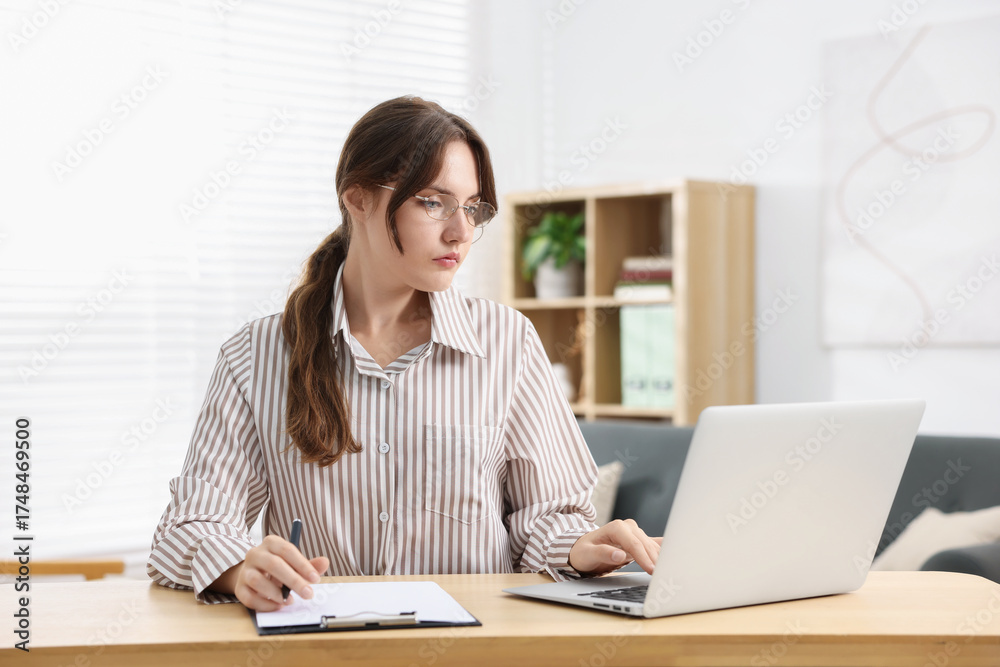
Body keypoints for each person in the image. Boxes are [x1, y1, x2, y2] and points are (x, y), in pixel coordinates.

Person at [147, 96, 660, 610]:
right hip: (322, 651)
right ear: (359, 199)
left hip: (477, 651)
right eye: (433, 202)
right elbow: (188, 529)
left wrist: (578, 546)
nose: (461, 232)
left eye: (473, 207)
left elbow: (547, 517)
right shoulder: (256, 356)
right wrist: (241, 570)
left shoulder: (507, 343)